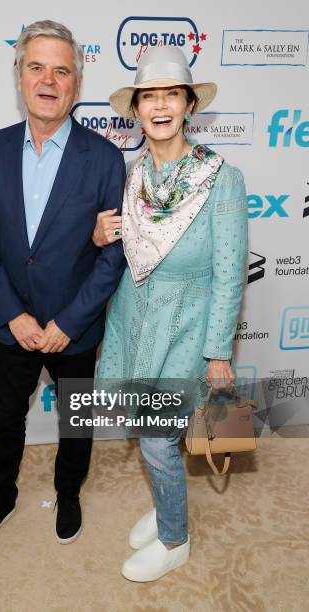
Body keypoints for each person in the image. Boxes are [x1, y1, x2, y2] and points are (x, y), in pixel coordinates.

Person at [0, 20, 126, 555]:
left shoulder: (104, 158)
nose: (49, 80)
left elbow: (113, 254)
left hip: (72, 328)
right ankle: (1, 496)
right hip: (12, 324)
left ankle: (68, 493)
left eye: (62, 70)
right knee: (5, 420)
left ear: (77, 83)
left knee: (76, 422)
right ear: (19, 76)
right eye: (37, 67)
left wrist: (67, 323)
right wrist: (11, 314)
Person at [94, 46, 248, 581]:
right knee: (145, 427)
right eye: (149, 96)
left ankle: (174, 538)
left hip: (187, 323)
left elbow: (229, 271)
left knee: (158, 435)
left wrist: (217, 353)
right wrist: (98, 235)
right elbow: (124, 250)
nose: (160, 106)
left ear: (187, 104)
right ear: (136, 109)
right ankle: (167, 503)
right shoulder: (130, 174)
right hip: (135, 319)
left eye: (171, 95)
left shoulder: (221, 177)